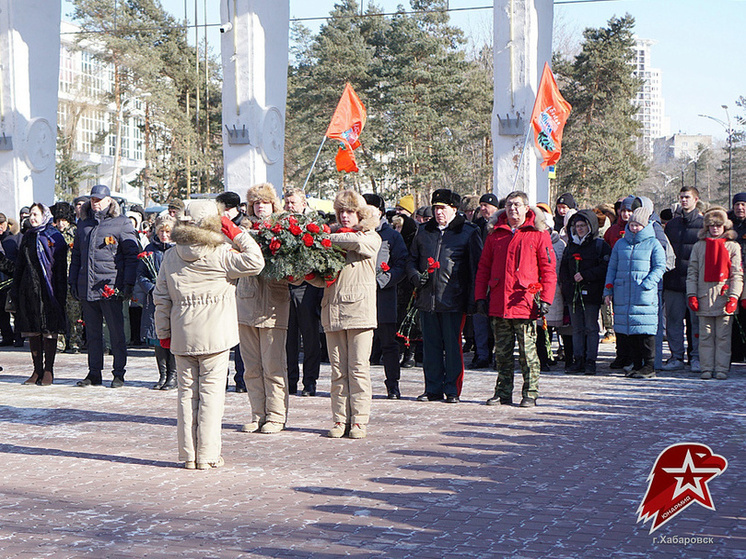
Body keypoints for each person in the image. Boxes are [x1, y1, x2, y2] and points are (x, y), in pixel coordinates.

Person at [153, 200, 265, 469]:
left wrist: (164, 333)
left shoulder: (170, 255)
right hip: (216, 334)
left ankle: (189, 455)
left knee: (186, 395)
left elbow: (161, 298)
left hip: (182, 332)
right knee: (212, 396)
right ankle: (207, 455)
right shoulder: (221, 252)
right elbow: (256, 261)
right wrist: (234, 230)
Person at [309, 190, 380, 439]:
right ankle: (340, 420)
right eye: (341, 211)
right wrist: (308, 275)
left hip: (360, 312)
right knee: (338, 371)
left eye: (349, 211)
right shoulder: (333, 239)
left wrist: (326, 238)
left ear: (359, 213)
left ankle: (359, 420)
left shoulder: (370, 236)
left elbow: (361, 246)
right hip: (333, 311)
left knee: (359, 368)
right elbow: (323, 279)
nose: (345, 216)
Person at [475, 191, 556, 407]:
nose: (513, 209)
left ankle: (530, 393)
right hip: (500, 302)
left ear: (527, 208)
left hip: (525, 303)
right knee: (501, 353)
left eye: (518, 205)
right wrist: (480, 297)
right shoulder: (495, 234)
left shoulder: (539, 234)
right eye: (510, 205)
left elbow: (548, 269)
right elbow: (483, 268)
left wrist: (546, 299)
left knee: (528, 355)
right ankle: (503, 392)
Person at [408, 189, 483, 403]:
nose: (439, 212)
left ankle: (452, 389)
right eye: (436, 208)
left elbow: (474, 267)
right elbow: (412, 259)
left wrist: (472, 299)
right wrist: (415, 276)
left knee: (452, 346)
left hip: (453, 298)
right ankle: (432, 388)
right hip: (427, 298)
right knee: (430, 346)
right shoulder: (423, 231)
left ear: (454, 209)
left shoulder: (468, 231)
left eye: (443, 208)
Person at [69, 185, 139, 388]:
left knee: (116, 333)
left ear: (109, 201)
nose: (95, 203)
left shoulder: (121, 223)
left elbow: (131, 257)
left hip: (110, 287)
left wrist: (128, 283)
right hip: (87, 287)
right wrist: (73, 281)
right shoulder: (83, 225)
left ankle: (118, 373)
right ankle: (94, 372)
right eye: (93, 199)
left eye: (99, 199)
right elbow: (77, 256)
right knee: (92, 334)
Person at [237, 183, 291, 434]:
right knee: (252, 367)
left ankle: (276, 415)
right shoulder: (241, 231)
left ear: (273, 205)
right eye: (256, 203)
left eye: (265, 202)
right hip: (246, 303)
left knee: (273, 366)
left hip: (273, 304)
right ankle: (257, 413)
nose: (260, 207)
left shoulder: (284, 231)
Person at [603, 207, 666, 378]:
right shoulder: (620, 244)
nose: (634, 228)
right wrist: (608, 289)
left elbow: (660, 266)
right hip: (623, 293)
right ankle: (637, 364)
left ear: (645, 225)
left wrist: (648, 283)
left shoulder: (653, 243)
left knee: (645, 331)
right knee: (629, 331)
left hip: (644, 294)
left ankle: (649, 365)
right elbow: (612, 267)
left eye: (638, 225)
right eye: (632, 224)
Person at [10, 204, 67, 385]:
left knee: (49, 330)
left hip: (48, 289)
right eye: (30, 215)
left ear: (44, 215)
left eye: (35, 214)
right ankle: (37, 370)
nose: (32, 218)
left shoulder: (54, 236)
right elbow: (20, 265)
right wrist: (16, 288)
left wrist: (60, 293)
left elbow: (59, 268)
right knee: (33, 330)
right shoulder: (28, 236)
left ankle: (48, 370)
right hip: (29, 290)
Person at [686, 207, 744, 380]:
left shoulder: (732, 246)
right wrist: (692, 295)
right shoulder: (699, 246)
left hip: (724, 297)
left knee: (723, 337)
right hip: (704, 297)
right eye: (712, 225)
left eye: (718, 225)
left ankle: (721, 368)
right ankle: (706, 368)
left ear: (724, 226)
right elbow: (692, 272)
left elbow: (737, 274)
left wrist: (734, 296)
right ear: (707, 227)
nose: (715, 228)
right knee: (705, 336)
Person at [364, 193, 409, 399]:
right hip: (359, 298)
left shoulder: (391, 236)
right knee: (360, 346)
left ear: (380, 212)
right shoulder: (356, 233)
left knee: (388, 344)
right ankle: (359, 387)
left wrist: (383, 280)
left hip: (383, 297)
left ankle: (393, 384)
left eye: (370, 209)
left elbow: (402, 264)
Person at [559, 210, 611, 374]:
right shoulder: (571, 246)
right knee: (577, 328)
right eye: (577, 226)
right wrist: (566, 286)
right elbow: (564, 269)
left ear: (590, 227)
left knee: (591, 327)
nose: (579, 229)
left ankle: (590, 360)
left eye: (583, 226)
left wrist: (586, 275)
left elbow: (605, 267)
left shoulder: (599, 245)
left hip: (591, 293)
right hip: (573, 294)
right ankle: (578, 359)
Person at [283, 187, 324, 396]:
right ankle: (290, 381)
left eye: (294, 202)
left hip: (308, 288)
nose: (290, 206)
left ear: (303, 204)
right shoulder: (279, 225)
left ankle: (310, 381)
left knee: (309, 338)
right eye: (287, 202)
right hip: (285, 287)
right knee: (288, 339)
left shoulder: (313, 226)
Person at [662, 186, 704, 372]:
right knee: (673, 321)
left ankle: (696, 357)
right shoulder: (672, 225)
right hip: (673, 281)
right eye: (681, 197)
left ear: (696, 199)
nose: (684, 200)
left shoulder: (703, 225)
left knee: (696, 322)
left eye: (687, 197)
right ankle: (676, 356)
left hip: (694, 282)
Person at [137, 215, 177, 390]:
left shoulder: (178, 249)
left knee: (174, 337)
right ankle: (162, 375)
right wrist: (152, 289)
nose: (164, 235)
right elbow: (141, 274)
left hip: (174, 299)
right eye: (161, 231)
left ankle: (173, 376)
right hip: (155, 300)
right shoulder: (150, 249)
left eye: (168, 231)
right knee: (158, 337)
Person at [216, 190, 249, 392]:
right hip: (222, 285)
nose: (224, 213)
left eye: (227, 209)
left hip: (242, 285)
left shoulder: (244, 226)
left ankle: (241, 379)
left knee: (240, 337)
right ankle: (221, 378)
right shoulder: (215, 226)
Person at [729, 192, 746, 362]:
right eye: (737, 205)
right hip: (730, 274)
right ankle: (735, 351)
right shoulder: (727, 224)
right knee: (732, 314)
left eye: (743, 204)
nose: (740, 208)